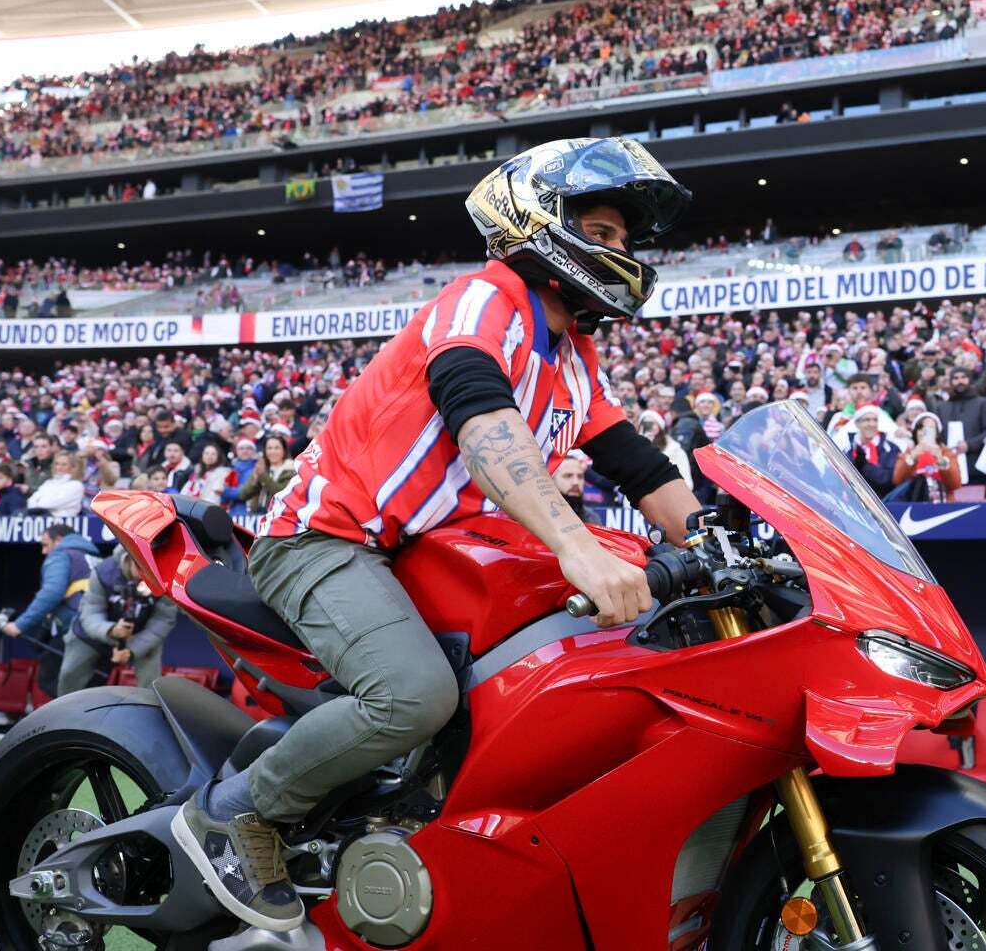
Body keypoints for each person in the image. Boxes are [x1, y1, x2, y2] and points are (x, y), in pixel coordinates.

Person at [173, 138, 702, 933]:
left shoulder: (573, 354)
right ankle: (239, 813)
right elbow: (484, 420)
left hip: (425, 550)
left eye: (625, 238)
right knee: (414, 696)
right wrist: (577, 544)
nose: (619, 250)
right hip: (327, 539)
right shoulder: (483, 301)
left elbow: (641, 469)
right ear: (541, 223)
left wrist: (744, 541)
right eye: (601, 228)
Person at [59, 549, 180, 694]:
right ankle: (66, 714)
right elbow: (91, 612)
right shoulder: (104, 571)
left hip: (138, 635)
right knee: (69, 674)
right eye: (141, 568)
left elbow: (164, 619)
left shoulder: (165, 576)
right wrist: (111, 630)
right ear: (130, 559)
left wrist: (132, 651)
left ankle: (153, 712)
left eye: (152, 570)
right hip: (94, 634)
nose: (146, 575)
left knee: (151, 680)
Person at [2, 524, 102, 700]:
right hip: (102, 631)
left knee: (50, 680)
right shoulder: (93, 556)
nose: (43, 551)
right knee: (90, 687)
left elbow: (51, 593)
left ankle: (71, 724)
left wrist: (20, 625)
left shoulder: (61, 554)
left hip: (75, 629)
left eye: (46, 544)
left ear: (59, 540)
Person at [934, 368, 986, 478]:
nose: (960, 381)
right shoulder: (941, 407)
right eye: (956, 378)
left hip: (976, 464)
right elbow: (937, 434)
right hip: (948, 466)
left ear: (969, 380)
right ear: (951, 382)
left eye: (963, 377)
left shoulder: (982, 403)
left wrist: (969, 445)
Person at [891, 411, 963, 501]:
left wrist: (940, 459)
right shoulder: (907, 453)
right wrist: (913, 456)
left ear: (937, 433)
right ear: (915, 432)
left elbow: (955, 484)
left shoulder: (947, 453)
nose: (925, 432)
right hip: (912, 503)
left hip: (943, 504)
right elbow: (897, 480)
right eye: (921, 428)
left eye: (931, 429)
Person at [846, 405, 901, 497]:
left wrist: (864, 465)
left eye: (875, 420)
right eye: (867, 420)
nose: (872, 424)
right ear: (857, 424)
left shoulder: (890, 448)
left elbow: (887, 479)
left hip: (882, 502)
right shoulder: (848, 448)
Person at [237, 434, 297, 515]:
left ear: (284, 450)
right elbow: (243, 495)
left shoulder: (292, 470)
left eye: (277, 448)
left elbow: (281, 494)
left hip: (281, 516)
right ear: (265, 451)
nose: (273, 451)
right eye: (269, 448)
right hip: (258, 516)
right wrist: (255, 479)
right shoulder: (262, 468)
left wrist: (262, 475)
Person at [25, 451, 85, 517]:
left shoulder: (76, 485)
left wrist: (39, 502)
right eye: (57, 464)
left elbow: (50, 504)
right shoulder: (48, 483)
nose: (59, 467)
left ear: (73, 467)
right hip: (42, 519)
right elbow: (31, 501)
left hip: (64, 523)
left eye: (64, 464)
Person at [552, 452, 588, 519]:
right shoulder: (537, 516)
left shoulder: (592, 517)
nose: (576, 482)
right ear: (552, 480)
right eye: (568, 476)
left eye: (580, 476)